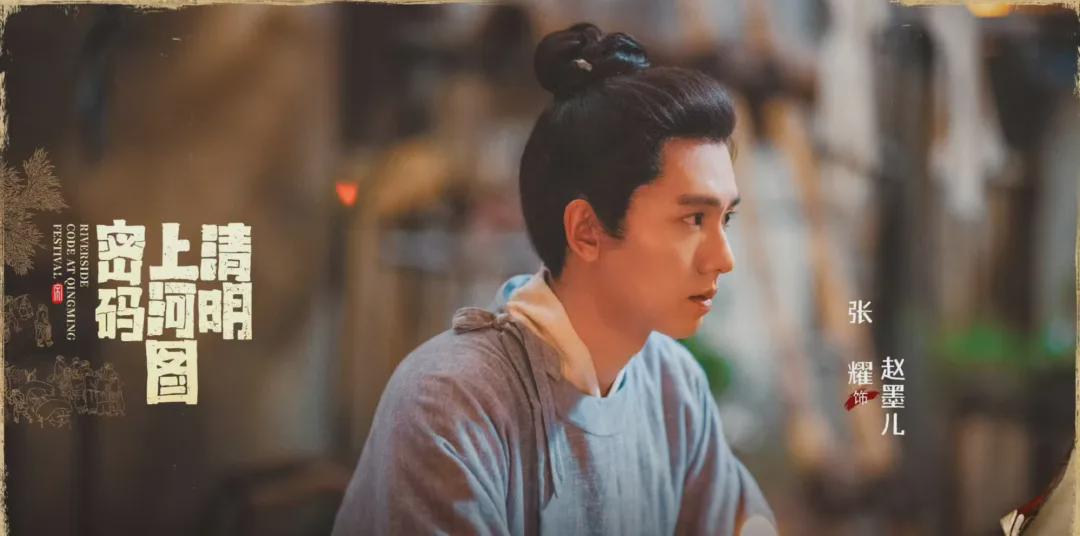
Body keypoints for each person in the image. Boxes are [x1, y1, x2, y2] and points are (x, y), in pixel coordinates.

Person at [333, 22, 776, 536]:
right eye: (693, 219)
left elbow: (744, 521)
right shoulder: (452, 401)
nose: (724, 258)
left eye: (726, 219)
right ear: (586, 231)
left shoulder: (673, 385)